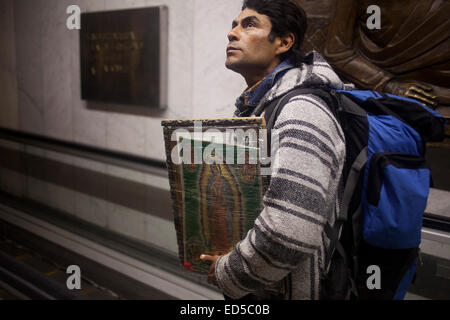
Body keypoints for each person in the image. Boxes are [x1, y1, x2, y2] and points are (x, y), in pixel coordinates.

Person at [200, 0, 351, 300]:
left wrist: (229, 272)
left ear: (284, 42)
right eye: (233, 24)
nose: (232, 33)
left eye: (249, 24)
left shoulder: (301, 110)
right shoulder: (260, 106)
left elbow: (288, 233)